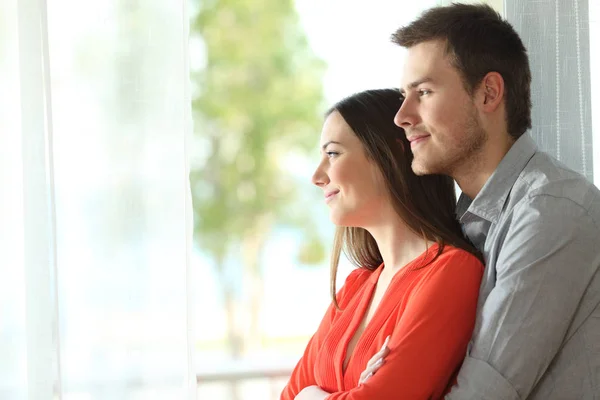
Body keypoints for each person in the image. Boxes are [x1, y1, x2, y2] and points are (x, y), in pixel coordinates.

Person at [367, 4, 600, 399]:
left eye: (423, 92)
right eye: (405, 96)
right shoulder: (460, 225)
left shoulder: (552, 210)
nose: (401, 116)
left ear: (488, 93)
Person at [280, 88, 484, 400]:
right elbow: (287, 395)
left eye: (332, 154)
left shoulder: (453, 272)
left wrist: (311, 394)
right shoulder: (356, 286)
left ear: (391, 153)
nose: (317, 176)